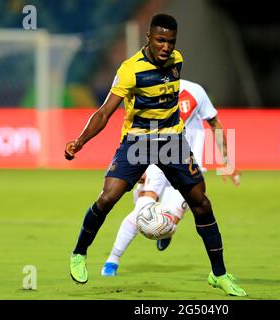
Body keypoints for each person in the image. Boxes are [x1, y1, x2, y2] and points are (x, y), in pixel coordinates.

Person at [64, 13, 246, 296]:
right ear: (147, 37)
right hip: (138, 141)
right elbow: (104, 112)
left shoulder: (177, 61)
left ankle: (219, 274)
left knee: (202, 204)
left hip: (172, 141)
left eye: (170, 41)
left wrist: (226, 159)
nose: (166, 47)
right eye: (160, 40)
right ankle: (79, 253)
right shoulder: (129, 70)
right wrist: (80, 141)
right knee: (108, 196)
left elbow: (207, 119)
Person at [101, 79, 241, 277]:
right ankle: (112, 260)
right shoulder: (147, 89)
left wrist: (227, 160)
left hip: (187, 166)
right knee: (141, 211)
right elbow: (135, 127)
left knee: (168, 220)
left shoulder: (195, 91)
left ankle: (167, 231)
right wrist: (136, 165)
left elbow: (214, 122)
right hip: (155, 162)